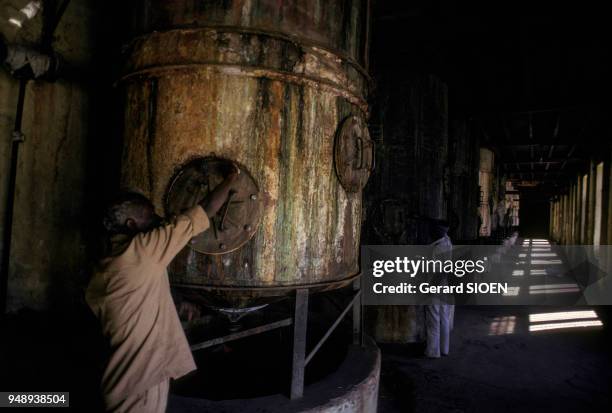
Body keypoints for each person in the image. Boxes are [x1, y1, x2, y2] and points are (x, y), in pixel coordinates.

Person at [86, 165, 240, 413]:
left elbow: (134, 303)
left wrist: (176, 306)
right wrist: (232, 178)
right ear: (131, 224)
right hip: (140, 383)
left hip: (120, 379)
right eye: (150, 216)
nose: (158, 220)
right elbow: (206, 209)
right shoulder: (144, 250)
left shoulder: (107, 265)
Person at [424, 218, 455, 358]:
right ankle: (444, 349)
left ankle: (433, 352)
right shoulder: (447, 241)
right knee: (444, 317)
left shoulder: (437, 248)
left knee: (433, 319)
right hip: (444, 284)